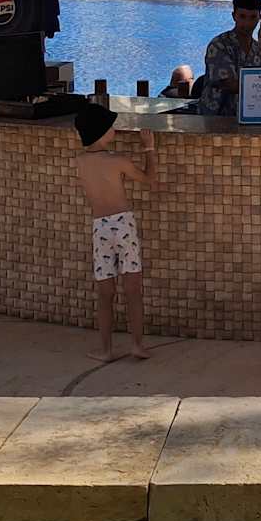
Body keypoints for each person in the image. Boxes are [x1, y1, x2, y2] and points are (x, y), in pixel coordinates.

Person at [74, 102, 156, 361]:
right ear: (101, 132)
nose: (115, 131)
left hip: (99, 226)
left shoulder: (81, 161)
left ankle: (106, 349)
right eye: (111, 127)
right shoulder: (117, 161)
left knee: (105, 292)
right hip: (123, 225)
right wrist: (149, 148)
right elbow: (149, 179)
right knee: (132, 288)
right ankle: (137, 345)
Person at [197, 0, 261, 115]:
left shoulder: (260, 50)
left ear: (259, 17)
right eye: (242, 16)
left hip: (248, 116)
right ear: (234, 16)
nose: (247, 23)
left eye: (253, 17)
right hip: (215, 117)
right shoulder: (219, 45)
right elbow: (228, 84)